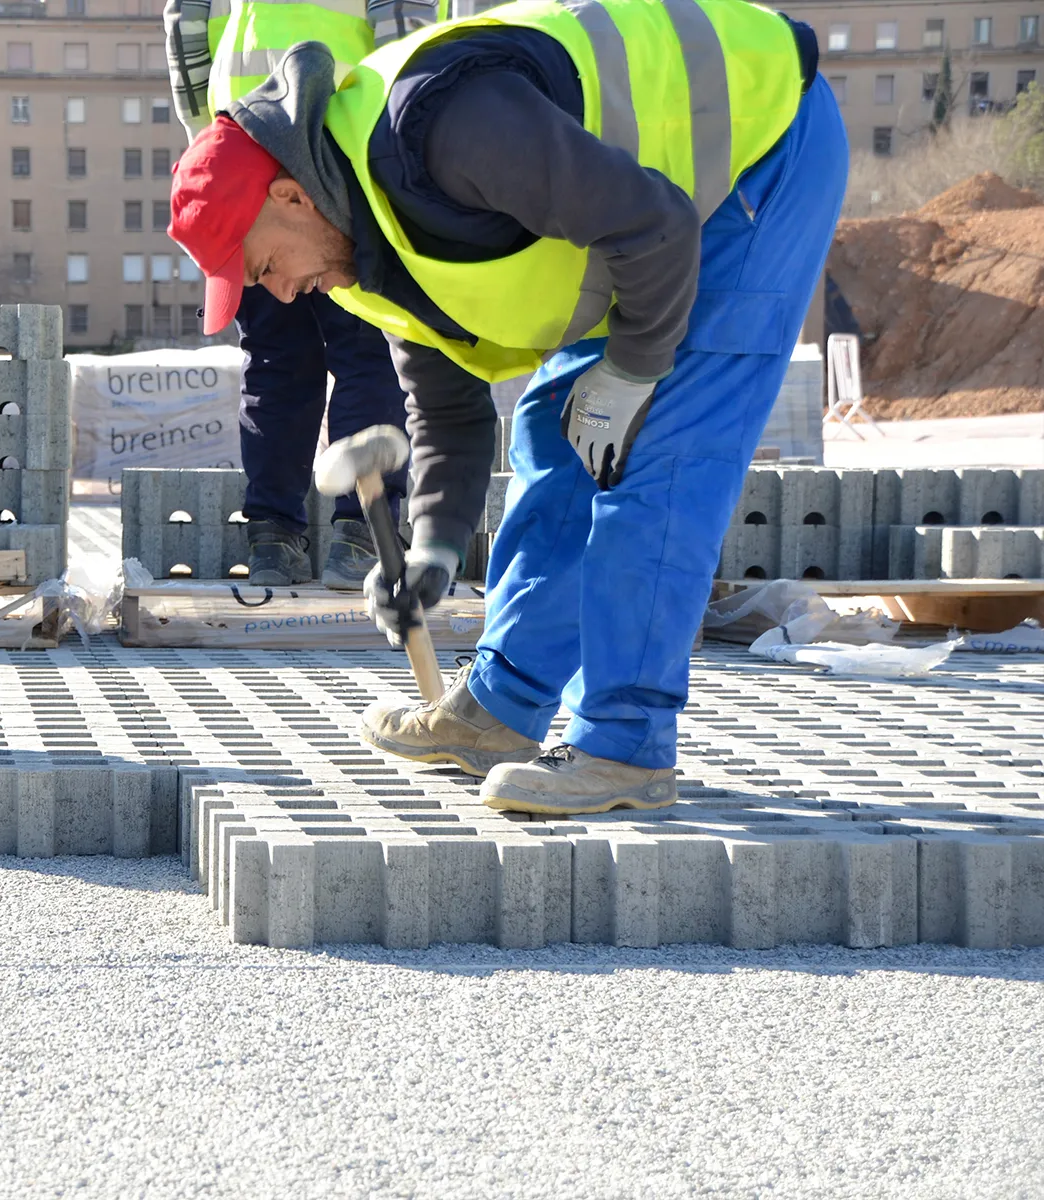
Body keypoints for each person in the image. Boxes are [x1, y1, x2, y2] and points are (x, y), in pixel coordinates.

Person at [167, 0, 841, 814]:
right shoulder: (357, 252)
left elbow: (657, 226)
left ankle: (625, 746)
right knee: (556, 436)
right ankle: (502, 707)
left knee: (657, 454)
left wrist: (631, 376)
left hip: (758, 150)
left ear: (292, 198)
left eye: (265, 266)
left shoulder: (442, 127)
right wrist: (434, 551)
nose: (279, 293)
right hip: (636, 227)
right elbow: (449, 411)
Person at [164, 0, 431, 588]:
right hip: (343, 154)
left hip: (251, 156)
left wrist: (210, 141)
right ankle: (360, 534)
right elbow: (407, 26)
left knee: (277, 362)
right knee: (368, 354)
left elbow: (184, 23)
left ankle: (276, 537)